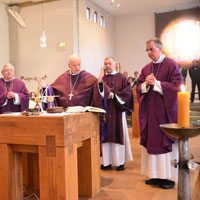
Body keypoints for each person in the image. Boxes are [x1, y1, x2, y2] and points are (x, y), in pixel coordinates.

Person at [136, 38, 183, 189]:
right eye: (147, 50)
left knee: (163, 143)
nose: (149, 53)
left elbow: (177, 86)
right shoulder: (146, 68)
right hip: (151, 114)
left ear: (160, 49)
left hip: (165, 113)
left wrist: (156, 83)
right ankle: (155, 175)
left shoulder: (171, 65)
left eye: (151, 49)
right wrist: (144, 84)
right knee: (151, 143)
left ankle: (168, 177)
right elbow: (138, 88)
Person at [94, 57, 133, 171]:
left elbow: (127, 93)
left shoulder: (121, 77)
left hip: (117, 111)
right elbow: (98, 94)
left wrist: (114, 96)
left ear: (115, 65)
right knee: (105, 136)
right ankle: (106, 162)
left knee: (117, 134)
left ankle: (119, 162)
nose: (107, 66)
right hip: (105, 112)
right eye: (105, 64)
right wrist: (100, 82)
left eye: (110, 63)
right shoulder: (102, 78)